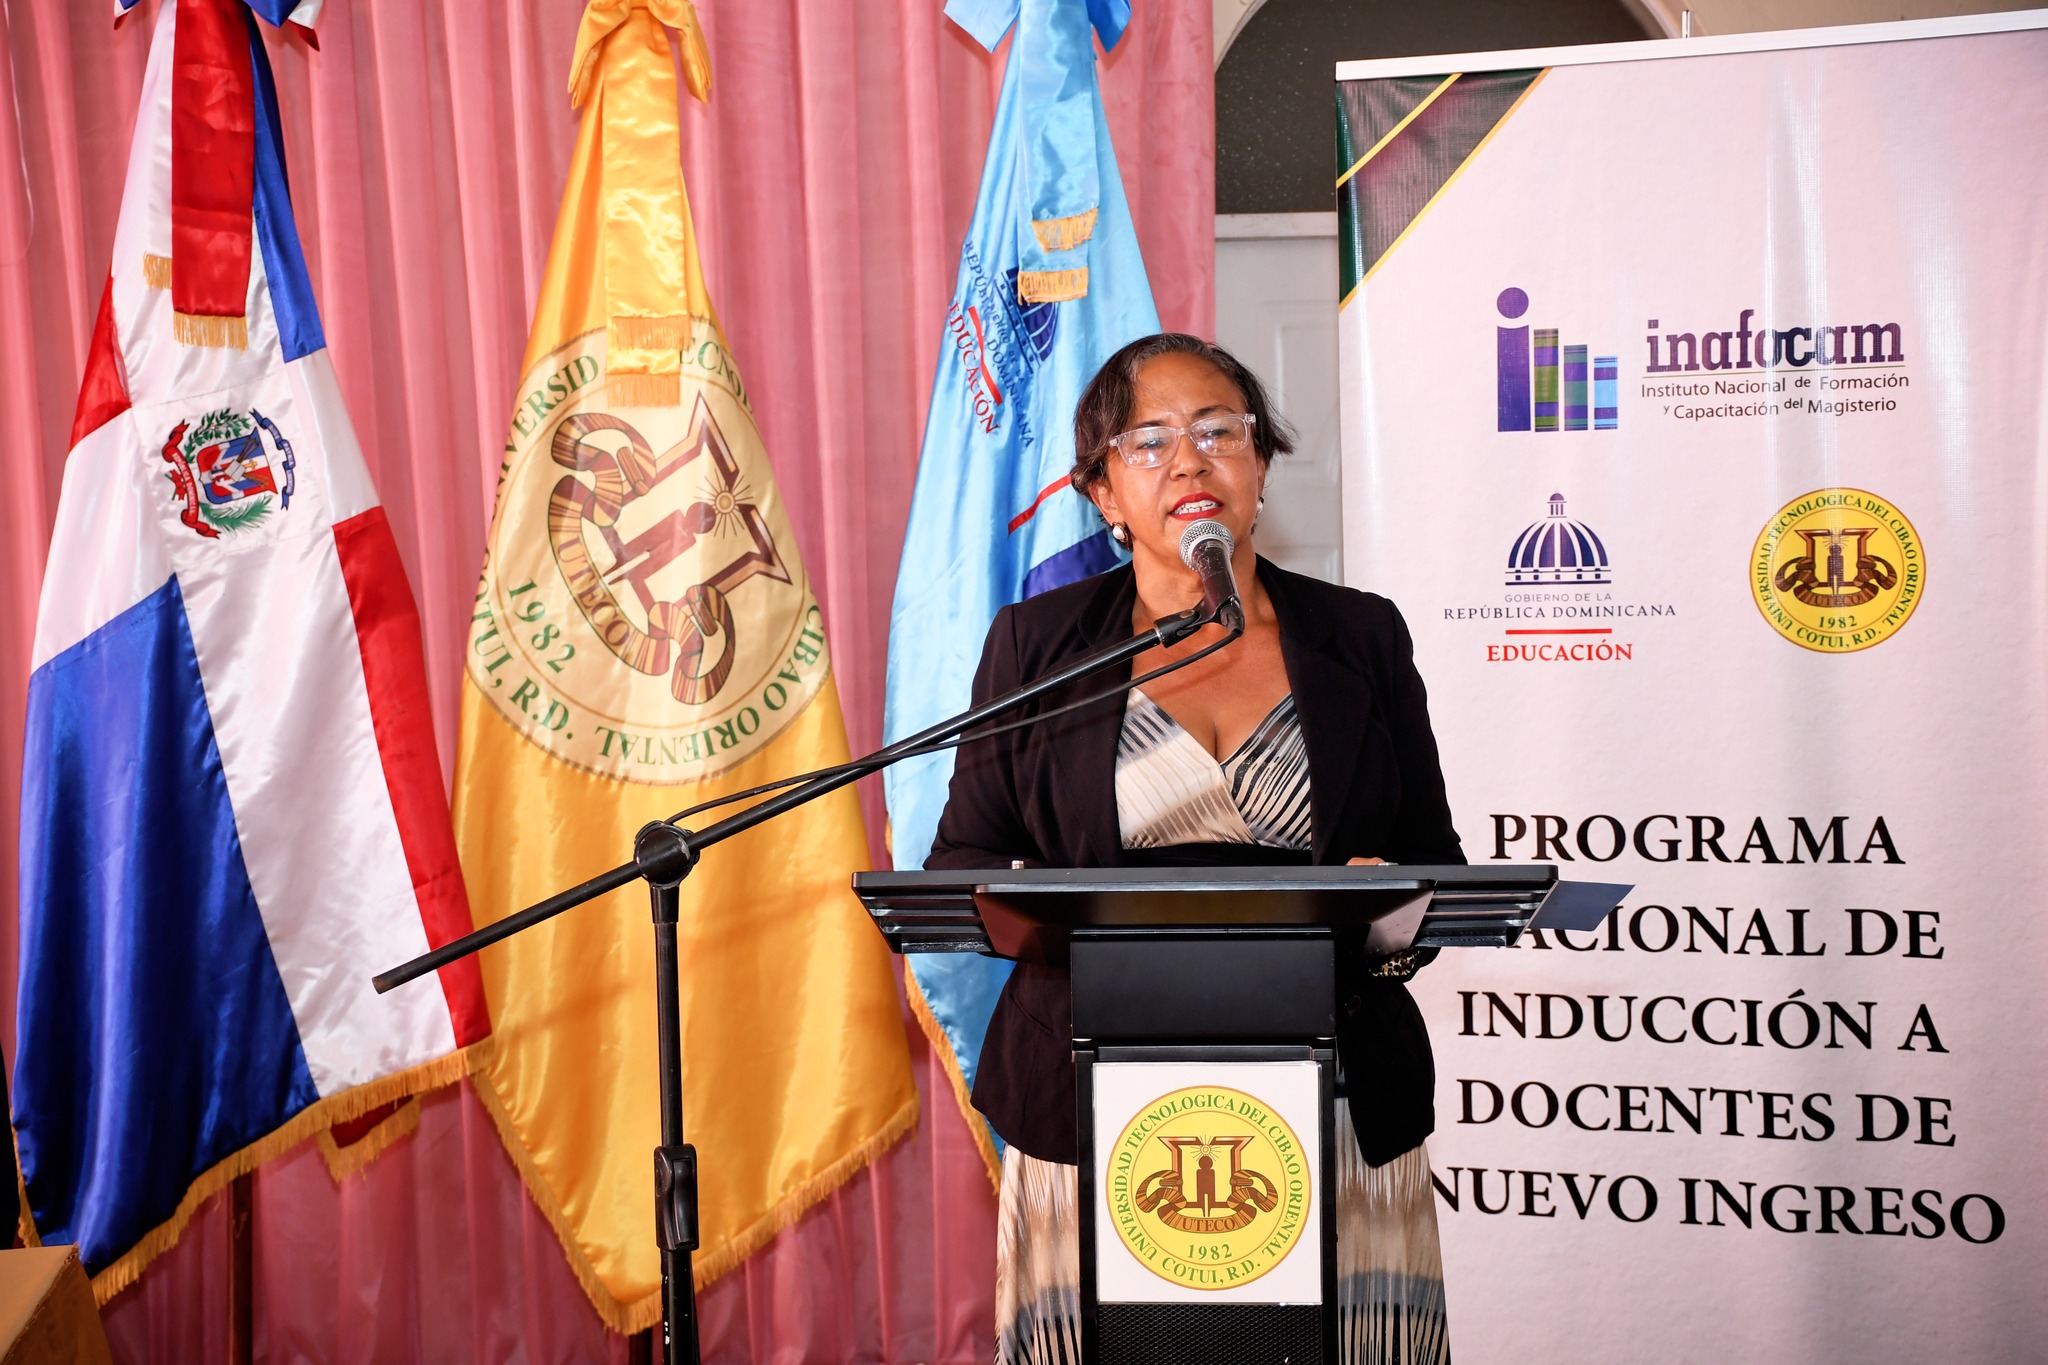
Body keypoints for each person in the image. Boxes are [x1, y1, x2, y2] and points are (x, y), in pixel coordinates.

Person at [927, 333, 1463, 1365]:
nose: (1189, 460)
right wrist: (1052, 907)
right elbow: (963, 863)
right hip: (1087, 1108)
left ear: (1260, 465)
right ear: (1103, 493)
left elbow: (1429, 862)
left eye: (1220, 431)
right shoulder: (1037, 647)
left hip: (1337, 1100)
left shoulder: (1360, 637)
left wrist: (1385, 919)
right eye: (1149, 441)